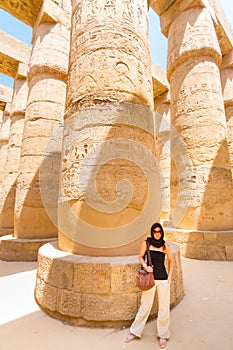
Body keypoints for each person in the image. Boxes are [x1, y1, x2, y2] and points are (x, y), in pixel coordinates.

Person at [125, 222, 173, 348]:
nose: (157, 234)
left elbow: (170, 260)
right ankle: (135, 332)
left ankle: (163, 334)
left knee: (163, 307)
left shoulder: (165, 245)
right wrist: (145, 266)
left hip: (162, 279)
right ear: (152, 232)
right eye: (155, 231)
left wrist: (170, 276)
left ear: (162, 232)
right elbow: (140, 257)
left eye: (159, 231)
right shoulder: (146, 243)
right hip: (149, 280)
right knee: (145, 306)